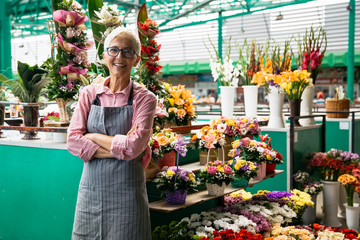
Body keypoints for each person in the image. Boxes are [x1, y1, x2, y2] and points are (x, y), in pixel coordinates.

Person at [67, 27, 156, 239]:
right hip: (91, 192)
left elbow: (135, 147)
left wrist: (93, 137)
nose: (119, 57)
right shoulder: (89, 93)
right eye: (114, 50)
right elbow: (72, 141)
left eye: (127, 52)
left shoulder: (145, 99)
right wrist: (123, 149)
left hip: (128, 194)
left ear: (137, 59)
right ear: (104, 54)